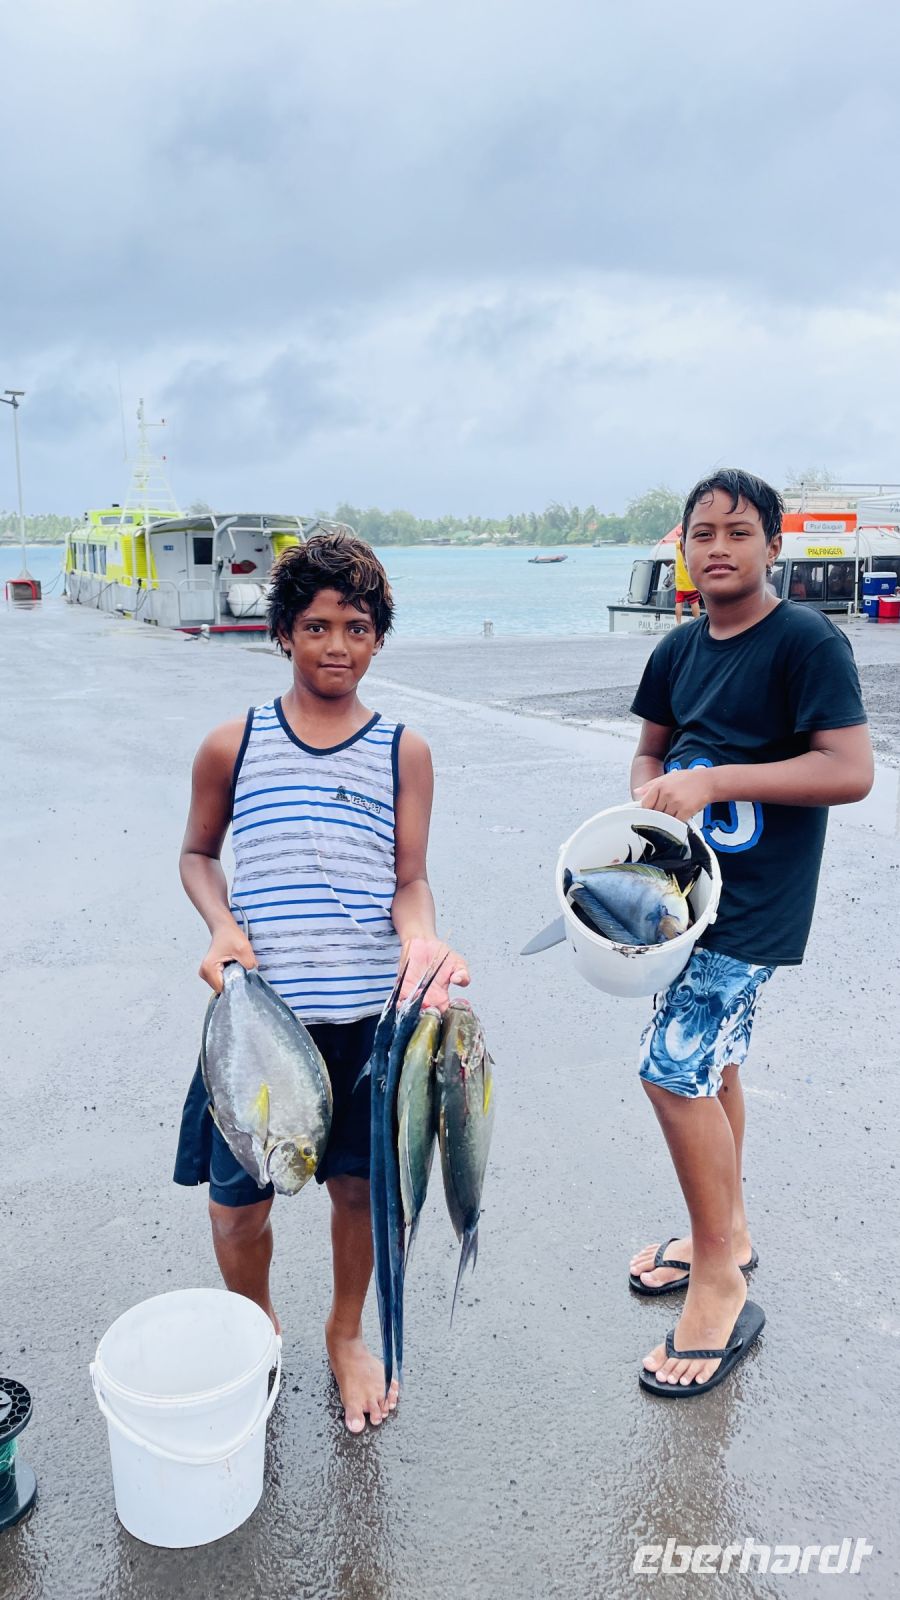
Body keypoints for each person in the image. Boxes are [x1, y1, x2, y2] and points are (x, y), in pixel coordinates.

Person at [174, 532, 469, 1432]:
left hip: (364, 1025)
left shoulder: (404, 752)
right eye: (316, 626)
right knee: (237, 1209)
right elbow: (197, 855)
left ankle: (346, 1331)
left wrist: (421, 941)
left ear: (378, 638)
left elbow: (409, 880)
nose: (336, 645)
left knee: (359, 1194)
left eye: (357, 628)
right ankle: (257, 1330)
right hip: (261, 1025)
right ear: (283, 633)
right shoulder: (233, 745)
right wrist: (222, 927)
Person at [627, 468, 872, 1397]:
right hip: (683, 898)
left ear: (774, 544)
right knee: (717, 1065)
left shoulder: (805, 641)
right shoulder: (678, 649)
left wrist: (717, 781)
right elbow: (650, 749)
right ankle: (723, 1237)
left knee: (670, 1073)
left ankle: (721, 1287)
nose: (718, 548)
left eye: (739, 532)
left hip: (757, 903)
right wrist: (650, 794)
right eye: (702, 533)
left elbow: (849, 770)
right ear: (683, 550)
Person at [673, 538, 701, 623]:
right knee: (694, 602)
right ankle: (697, 621)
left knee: (679, 602)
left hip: (679, 580)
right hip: (688, 580)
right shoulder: (689, 543)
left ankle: (678, 623)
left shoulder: (678, 544)